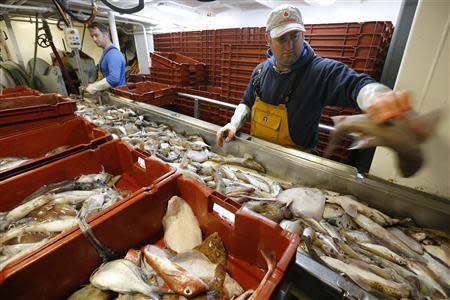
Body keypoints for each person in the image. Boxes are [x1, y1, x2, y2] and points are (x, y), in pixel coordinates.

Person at [216, 4, 410, 150]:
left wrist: (377, 97)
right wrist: (233, 124)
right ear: (268, 39)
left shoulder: (320, 72)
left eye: (295, 36)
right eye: (282, 39)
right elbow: (247, 103)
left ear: (303, 34)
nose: (290, 46)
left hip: (297, 163)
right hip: (258, 153)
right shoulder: (260, 72)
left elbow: (356, 84)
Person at [85, 22, 126, 94]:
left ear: (106, 34)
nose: (94, 39)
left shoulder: (113, 54)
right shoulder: (107, 53)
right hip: (113, 93)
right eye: (92, 36)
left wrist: (94, 87)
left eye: (96, 35)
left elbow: (114, 79)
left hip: (119, 95)